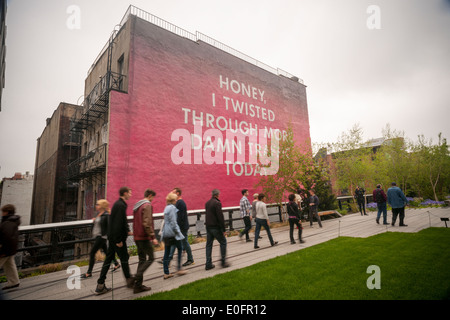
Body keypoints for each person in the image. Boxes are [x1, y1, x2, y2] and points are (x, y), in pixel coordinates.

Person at [95, 187, 135, 295]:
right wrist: (119, 240)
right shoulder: (121, 205)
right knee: (124, 258)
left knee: (108, 260)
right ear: (125, 193)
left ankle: (100, 285)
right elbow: (117, 223)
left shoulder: (119, 204)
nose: (131, 194)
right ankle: (129, 280)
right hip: (116, 238)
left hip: (112, 237)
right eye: (130, 192)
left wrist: (127, 231)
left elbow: (122, 220)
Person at [81, 199, 120, 279]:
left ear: (102, 206)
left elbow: (109, 227)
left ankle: (89, 272)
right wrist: (95, 219)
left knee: (92, 253)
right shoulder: (99, 214)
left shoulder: (106, 215)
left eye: (98, 204)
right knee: (106, 252)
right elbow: (99, 222)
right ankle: (116, 264)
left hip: (101, 237)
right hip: (98, 236)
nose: (96, 206)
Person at [132, 189, 158, 293]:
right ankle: (136, 277)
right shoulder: (147, 205)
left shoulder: (137, 205)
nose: (153, 200)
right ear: (150, 195)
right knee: (151, 257)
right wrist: (152, 237)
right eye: (153, 198)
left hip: (137, 236)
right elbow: (147, 223)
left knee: (142, 259)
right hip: (144, 237)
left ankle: (138, 286)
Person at [161, 193, 187, 279]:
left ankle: (166, 272)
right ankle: (179, 268)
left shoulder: (166, 207)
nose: (176, 200)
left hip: (166, 233)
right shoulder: (172, 208)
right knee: (180, 248)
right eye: (175, 199)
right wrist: (179, 233)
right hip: (172, 233)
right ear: (172, 200)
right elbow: (173, 223)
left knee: (167, 252)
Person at [205, 189, 229, 270]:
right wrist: (223, 229)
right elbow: (220, 217)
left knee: (209, 245)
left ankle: (208, 263)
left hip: (208, 227)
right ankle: (223, 262)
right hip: (215, 227)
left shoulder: (207, 203)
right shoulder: (217, 203)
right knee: (223, 242)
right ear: (217, 195)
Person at [171, 188, 194, 267]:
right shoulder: (178, 203)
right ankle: (168, 258)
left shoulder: (180, 203)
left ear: (178, 193)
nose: (172, 194)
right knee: (180, 242)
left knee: (184, 242)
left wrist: (177, 227)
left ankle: (190, 259)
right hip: (181, 226)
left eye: (173, 192)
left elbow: (180, 217)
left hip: (182, 227)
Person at [0, 204, 21, 290]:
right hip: (11, 248)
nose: (2, 213)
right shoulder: (12, 221)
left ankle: (14, 281)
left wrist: (3, 250)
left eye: (3, 211)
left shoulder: (8, 222)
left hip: (5, 249)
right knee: (10, 264)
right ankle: (14, 281)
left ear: (7, 212)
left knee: (9, 263)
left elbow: (7, 237)